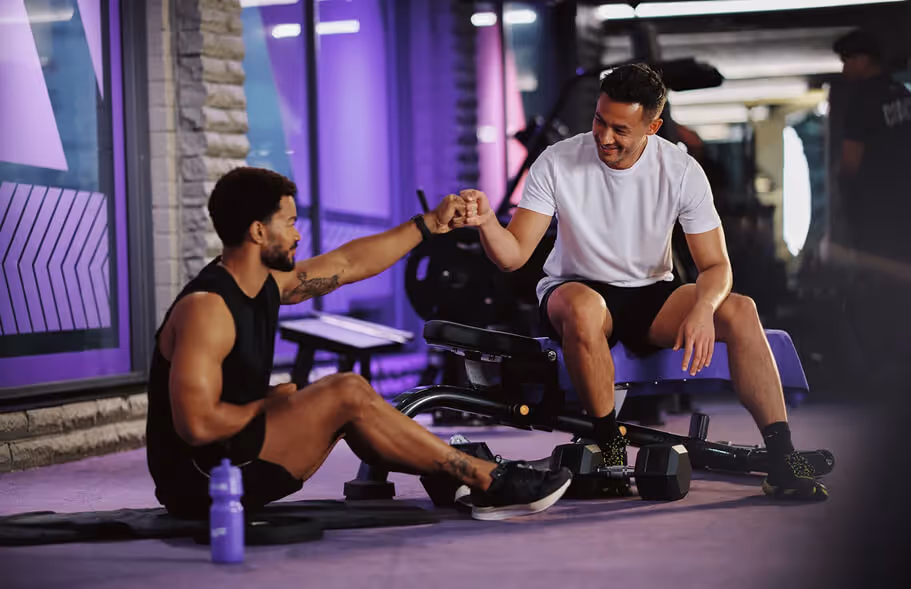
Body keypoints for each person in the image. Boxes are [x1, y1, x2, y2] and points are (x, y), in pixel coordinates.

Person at [456, 64, 828, 500]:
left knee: (740, 309)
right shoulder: (557, 161)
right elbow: (513, 255)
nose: (605, 137)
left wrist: (705, 310)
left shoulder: (680, 169)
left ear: (652, 126)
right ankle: (610, 445)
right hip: (576, 287)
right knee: (582, 307)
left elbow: (716, 266)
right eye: (599, 120)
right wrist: (485, 223)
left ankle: (782, 457)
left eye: (620, 129)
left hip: (652, 295)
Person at [145, 167, 571, 521]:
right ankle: (487, 480)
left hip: (239, 455)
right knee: (345, 391)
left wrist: (429, 225)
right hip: (205, 483)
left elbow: (346, 264)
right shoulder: (207, 308)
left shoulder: (262, 284)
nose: (298, 235)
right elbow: (196, 425)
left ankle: (456, 472)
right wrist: (267, 404)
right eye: (290, 223)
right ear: (259, 231)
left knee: (348, 394)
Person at [831, 30, 911, 396]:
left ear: (865, 60)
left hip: (876, 216)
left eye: (848, 59)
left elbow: (851, 161)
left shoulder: (863, 98)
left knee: (875, 292)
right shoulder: (902, 95)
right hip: (904, 211)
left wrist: (843, 206)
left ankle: (883, 371)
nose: (845, 68)